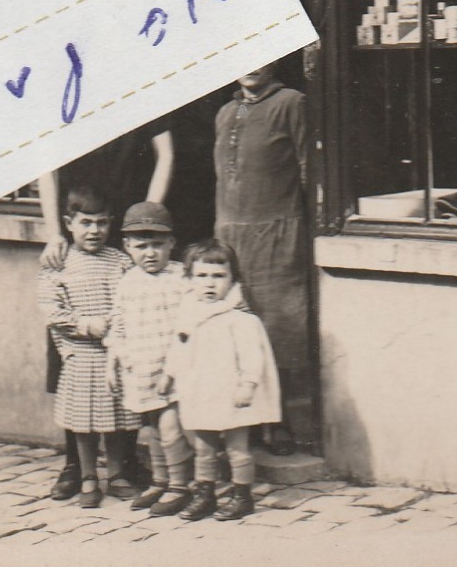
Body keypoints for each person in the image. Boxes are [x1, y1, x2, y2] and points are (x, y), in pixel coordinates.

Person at [36, 123, 174, 499]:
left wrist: (143, 222)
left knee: (130, 343)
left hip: (122, 219)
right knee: (75, 359)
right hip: (76, 215)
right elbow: (44, 163)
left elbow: (166, 155)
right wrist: (54, 233)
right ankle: (75, 464)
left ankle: (123, 464)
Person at [212, 62, 311, 453]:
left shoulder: (292, 103)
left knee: (276, 332)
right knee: (232, 328)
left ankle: (278, 420)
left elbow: (309, 169)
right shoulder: (224, 112)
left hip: (276, 234)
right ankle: (241, 421)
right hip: (231, 235)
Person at [161, 239, 281, 522]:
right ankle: (205, 494)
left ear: (232, 279)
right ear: (189, 279)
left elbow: (253, 357)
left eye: (218, 276)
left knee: (237, 449)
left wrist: (248, 385)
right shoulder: (189, 313)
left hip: (231, 393)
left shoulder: (239, 319)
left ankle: (242, 496)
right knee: (204, 448)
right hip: (201, 391)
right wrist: (169, 374)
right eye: (201, 277)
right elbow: (179, 345)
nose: (209, 284)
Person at [36, 185, 140, 507]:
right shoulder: (59, 263)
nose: (94, 231)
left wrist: (115, 325)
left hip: (114, 354)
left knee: (117, 417)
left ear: (111, 224)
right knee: (84, 421)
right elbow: (52, 311)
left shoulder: (121, 262)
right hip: (80, 353)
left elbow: (133, 300)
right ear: (69, 223)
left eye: (101, 223)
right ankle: (87, 476)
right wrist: (86, 326)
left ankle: (118, 473)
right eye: (86, 223)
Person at [107, 201, 194, 516]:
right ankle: (160, 481)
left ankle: (180, 486)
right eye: (141, 246)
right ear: (127, 246)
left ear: (171, 243)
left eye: (157, 245)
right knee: (153, 431)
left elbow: (189, 326)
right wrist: (113, 360)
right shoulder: (128, 281)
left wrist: (174, 367)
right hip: (141, 369)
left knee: (172, 429)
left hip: (173, 370)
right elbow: (117, 322)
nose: (150, 253)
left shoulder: (182, 278)